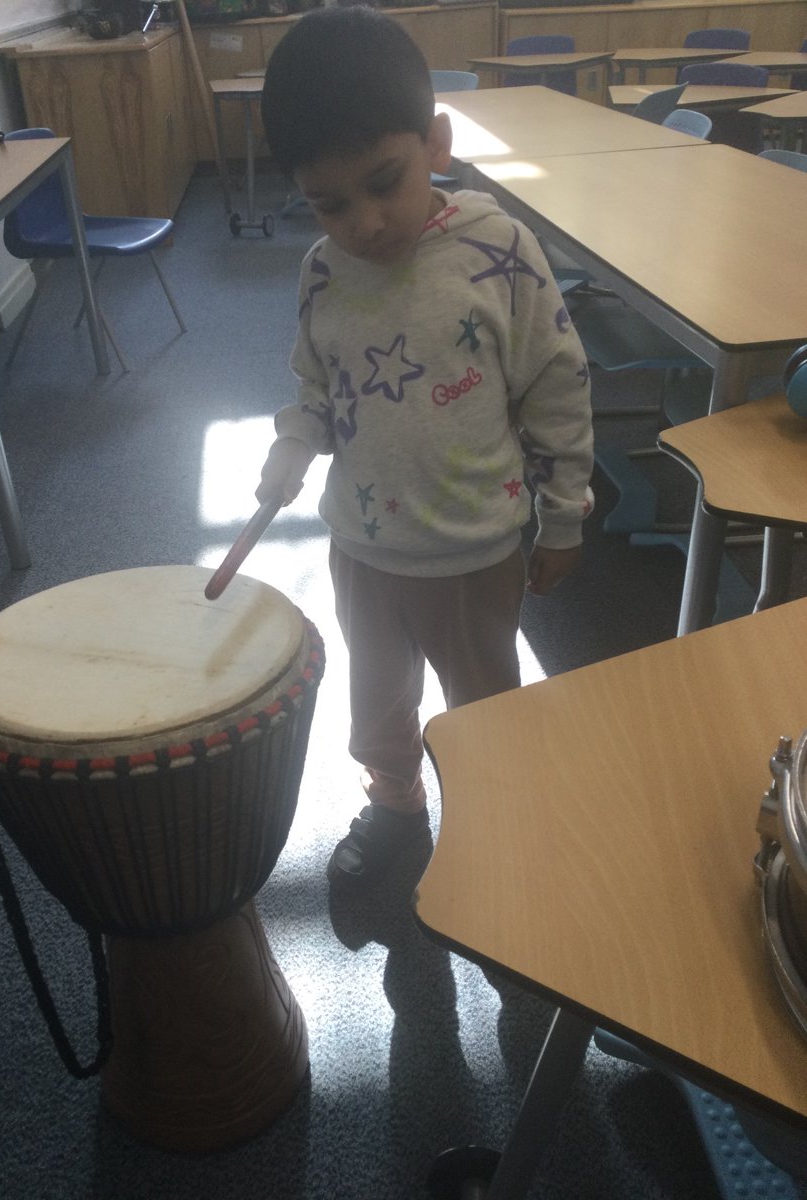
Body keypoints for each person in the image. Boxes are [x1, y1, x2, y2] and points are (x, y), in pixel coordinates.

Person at [256, 5, 594, 889]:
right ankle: (398, 808)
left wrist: (564, 517)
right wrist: (295, 442)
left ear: (436, 143)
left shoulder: (498, 251)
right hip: (365, 553)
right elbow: (319, 389)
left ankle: (496, 817)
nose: (364, 221)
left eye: (384, 181)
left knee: (484, 712)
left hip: (473, 553)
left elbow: (557, 384)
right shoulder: (322, 273)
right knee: (378, 707)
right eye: (330, 203)